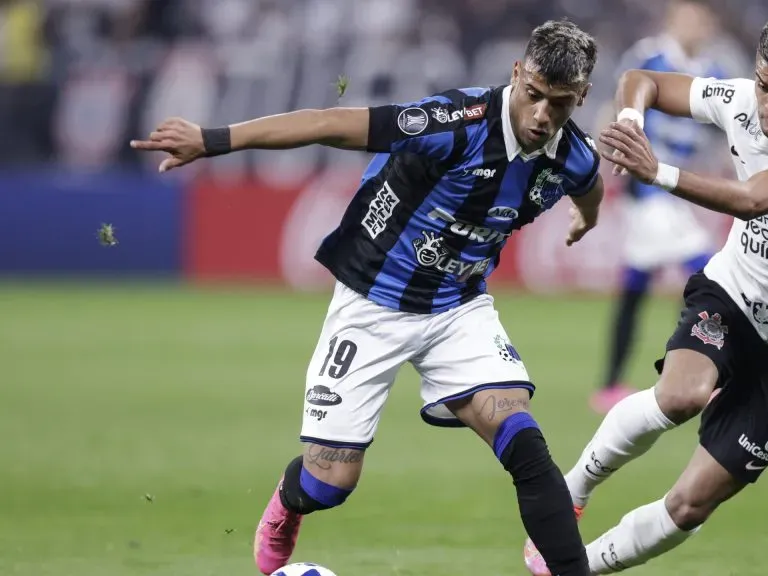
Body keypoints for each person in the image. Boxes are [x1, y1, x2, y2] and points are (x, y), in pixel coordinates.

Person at [131, 20, 604, 576]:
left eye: (561, 104)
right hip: (372, 301)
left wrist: (584, 218)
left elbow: (589, 186)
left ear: (582, 99)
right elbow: (330, 122)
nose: (543, 116)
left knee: (523, 440)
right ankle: (288, 503)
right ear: (517, 74)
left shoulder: (574, 155)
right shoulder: (455, 122)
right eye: (534, 96)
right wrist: (213, 140)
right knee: (330, 482)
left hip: (457, 307)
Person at [524, 10, 768, 574]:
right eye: (764, 86)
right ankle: (572, 491)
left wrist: (656, 171)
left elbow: (755, 199)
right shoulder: (741, 101)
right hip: (731, 295)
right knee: (681, 395)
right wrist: (634, 117)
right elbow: (645, 78)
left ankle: (579, 567)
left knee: (690, 505)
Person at [592, 0, 725, 415]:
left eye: (702, 19)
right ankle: (700, 375)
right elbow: (615, 106)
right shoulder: (648, 57)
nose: (696, 25)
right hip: (646, 187)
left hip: (676, 187)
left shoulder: (714, 71)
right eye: (689, 16)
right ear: (673, 19)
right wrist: (604, 155)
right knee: (709, 274)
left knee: (636, 283)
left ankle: (610, 384)